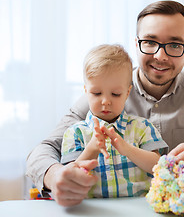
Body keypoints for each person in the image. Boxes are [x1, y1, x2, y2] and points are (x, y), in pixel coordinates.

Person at [26, 0, 184, 207]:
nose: (160, 56)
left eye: (175, 45)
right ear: (137, 44)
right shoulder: (106, 90)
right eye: (150, 42)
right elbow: (43, 150)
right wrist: (55, 177)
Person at [61, 44, 167, 198]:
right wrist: (91, 150)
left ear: (127, 93)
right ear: (86, 91)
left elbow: (159, 167)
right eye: (96, 93)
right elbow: (69, 178)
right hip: (92, 210)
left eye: (115, 94)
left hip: (139, 207)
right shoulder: (75, 133)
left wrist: (126, 149)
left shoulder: (143, 127)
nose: (105, 101)